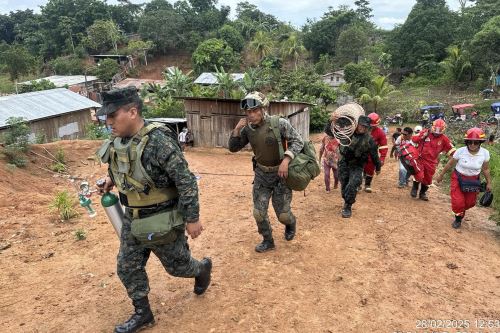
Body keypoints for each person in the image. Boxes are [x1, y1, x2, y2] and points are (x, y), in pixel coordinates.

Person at [95, 87, 212, 333]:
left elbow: (185, 181)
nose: (108, 122)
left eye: (113, 116)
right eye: (106, 117)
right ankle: (143, 313)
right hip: (133, 218)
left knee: (178, 268)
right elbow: (122, 167)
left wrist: (192, 218)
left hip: (163, 219)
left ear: (133, 112)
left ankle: (201, 269)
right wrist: (111, 180)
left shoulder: (159, 140)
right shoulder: (118, 141)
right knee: (127, 266)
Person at [228, 91, 304, 253]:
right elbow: (233, 148)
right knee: (259, 213)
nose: (252, 115)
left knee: (283, 215)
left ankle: (291, 223)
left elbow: (298, 141)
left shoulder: (279, 123)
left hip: (281, 176)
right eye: (248, 112)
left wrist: (286, 160)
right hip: (262, 176)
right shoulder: (247, 129)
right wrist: (236, 130)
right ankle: (268, 240)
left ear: (263, 109)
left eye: (255, 110)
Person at [435, 128, 492, 229]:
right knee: (458, 202)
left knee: (470, 203)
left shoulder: (485, 153)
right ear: (466, 142)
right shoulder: (460, 151)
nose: (472, 144)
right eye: (470, 142)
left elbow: (486, 169)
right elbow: (450, 164)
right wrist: (441, 175)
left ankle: (461, 210)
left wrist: (489, 183)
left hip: (473, 180)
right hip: (458, 178)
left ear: (480, 142)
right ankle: (458, 219)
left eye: (476, 142)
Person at [335, 115, 381, 218]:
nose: (362, 128)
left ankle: (348, 206)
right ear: (356, 124)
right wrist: (332, 120)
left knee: (353, 183)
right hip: (344, 162)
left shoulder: (369, 140)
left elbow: (374, 154)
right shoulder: (347, 133)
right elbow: (331, 131)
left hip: (357, 165)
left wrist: (378, 167)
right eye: (361, 125)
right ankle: (346, 199)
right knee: (344, 184)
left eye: (365, 127)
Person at [410, 119, 455, 201]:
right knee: (418, 173)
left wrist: (459, 156)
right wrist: (422, 135)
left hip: (431, 162)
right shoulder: (425, 133)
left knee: (428, 178)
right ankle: (415, 188)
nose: (437, 133)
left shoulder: (444, 139)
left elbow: (451, 150)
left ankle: (422, 193)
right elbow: (414, 139)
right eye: (435, 131)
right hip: (420, 158)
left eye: (439, 131)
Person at [362, 113, 388, 192]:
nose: (371, 127)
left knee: (370, 168)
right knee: (358, 167)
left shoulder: (380, 133)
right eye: (370, 125)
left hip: (371, 154)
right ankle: (358, 183)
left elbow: (383, 146)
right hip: (360, 152)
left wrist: (382, 158)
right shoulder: (361, 128)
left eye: (373, 126)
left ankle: (367, 184)